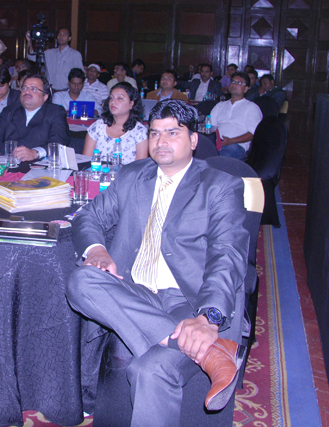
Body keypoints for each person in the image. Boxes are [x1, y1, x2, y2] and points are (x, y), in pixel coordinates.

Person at [66, 99, 249, 426]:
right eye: (154, 133)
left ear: (194, 140)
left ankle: (200, 341)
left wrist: (209, 318)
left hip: (189, 302)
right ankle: (211, 352)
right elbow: (88, 216)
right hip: (135, 293)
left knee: (149, 370)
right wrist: (97, 250)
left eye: (172, 133)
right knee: (81, 280)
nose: (161, 141)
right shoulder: (132, 175)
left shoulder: (220, 187)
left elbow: (228, 255)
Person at [0, 73, 69, 162]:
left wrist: (36, 153)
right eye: (25, 88)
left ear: (45, 96)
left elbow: (58, 141)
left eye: (33, 89)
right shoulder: (9, 111)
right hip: (8, 162)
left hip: (38, 164)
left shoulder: (55, 112)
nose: (27, 92)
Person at [83, 82, 148, 164]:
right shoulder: (97, 126)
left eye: (120, 98)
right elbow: (85, 162)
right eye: (111, 98)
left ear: (131, 104)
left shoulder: (139, 131)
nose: (113, 102)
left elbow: (141, 168)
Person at [209, 72, 262, 160]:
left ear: (246, 89)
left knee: (218, 156)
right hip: (217, 143)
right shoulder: (220, 105)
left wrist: (231, 141)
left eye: (239, 83)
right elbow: (210, 126)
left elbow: (253, 133)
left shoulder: (251, 107)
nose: (234, 85)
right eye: (233, 82)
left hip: (237, 146)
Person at [26, 27, 84, 92]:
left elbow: (80, 74)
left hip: (66, 92)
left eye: (64, 35)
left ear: (69, 38)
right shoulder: (49, 53)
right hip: (51, 91)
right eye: (60, 34)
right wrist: (29, 41)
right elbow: (32, 57)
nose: (61, 36)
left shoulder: (74, 54)